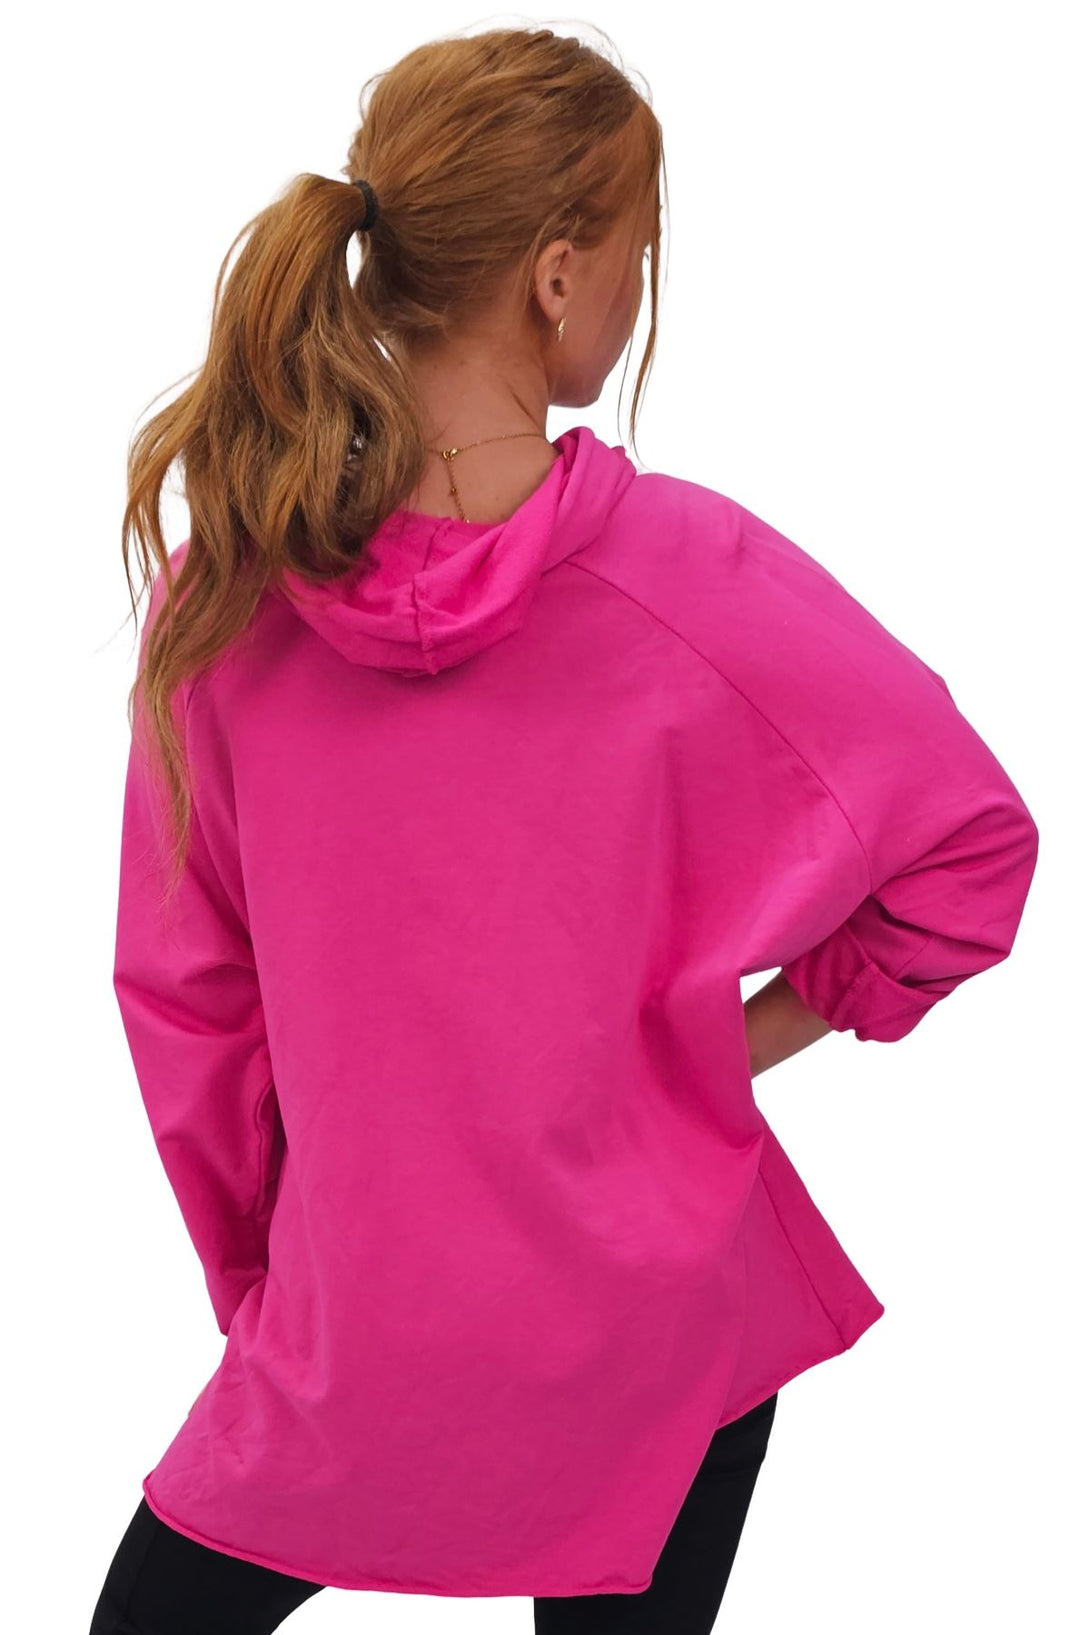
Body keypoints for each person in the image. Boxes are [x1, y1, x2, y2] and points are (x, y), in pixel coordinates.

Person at [91, 21, 1039, 1635]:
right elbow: (968, 852)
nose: (635, 292)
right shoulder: (692, 580)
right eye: (635, 254)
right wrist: (717, 1051)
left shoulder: (225, 601)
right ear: (554, 276)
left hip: (364, 1312)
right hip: (664, 1315)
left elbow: (189, 1000)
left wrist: (275, 1283)